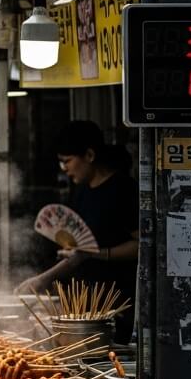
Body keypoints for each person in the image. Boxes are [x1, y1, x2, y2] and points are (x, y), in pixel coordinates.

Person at [16, 120, 139, 342]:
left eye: (67, 161)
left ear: (90, 155)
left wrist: (99, 254)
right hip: (86, 303)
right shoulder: (82, 192)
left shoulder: (123, 190)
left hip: (119, 305)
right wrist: (43, 279)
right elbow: (78, 252)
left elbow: (143, 246)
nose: (64, 168)